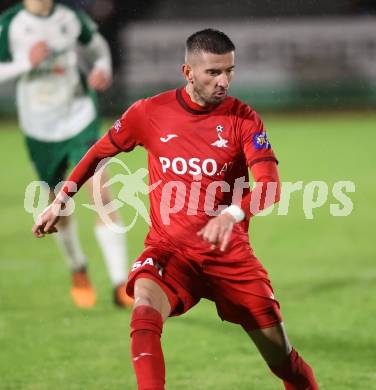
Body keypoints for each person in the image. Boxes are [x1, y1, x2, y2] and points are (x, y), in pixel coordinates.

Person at [32, 29, 319, 389]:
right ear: (188, 72)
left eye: (229, 71)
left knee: (285, 364)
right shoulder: (149, 113)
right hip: (170, 251)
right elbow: (99, 152)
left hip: (230, 258)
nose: (224, 81)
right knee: (143, 310)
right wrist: (61, 200)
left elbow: (270, 186)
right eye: (213, 72)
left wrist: (232, 214)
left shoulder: (243, 119)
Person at [0, 0, 133, 308]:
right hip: (40, 126)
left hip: (79, 114)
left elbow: (98, 47)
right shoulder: (10, 24)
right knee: (58, 203)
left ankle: (119, 283)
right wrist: (25, 63)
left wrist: (102, 68)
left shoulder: (70, 17)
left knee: (101, 189)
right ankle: (77, 268)